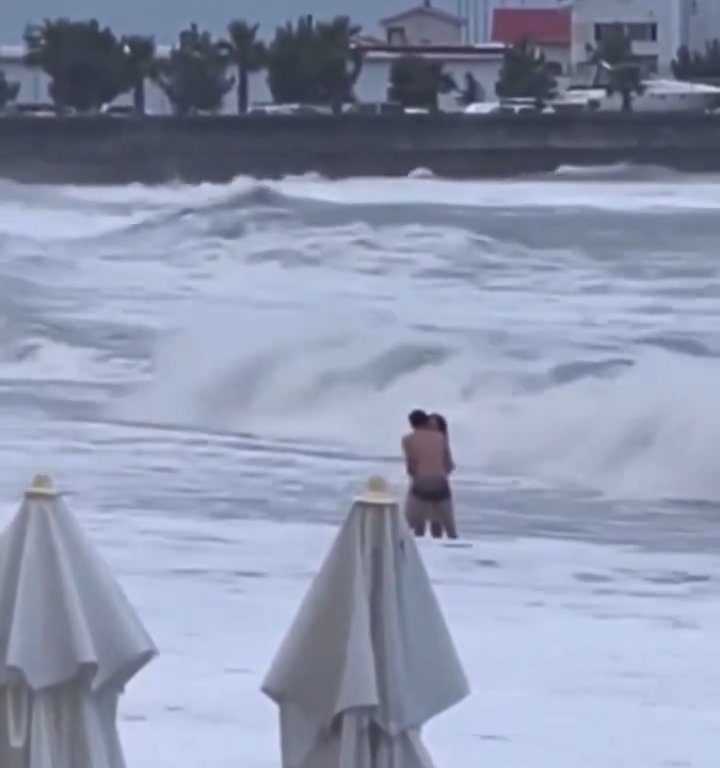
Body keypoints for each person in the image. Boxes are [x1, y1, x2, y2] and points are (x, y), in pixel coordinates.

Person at [401, 409, 458, 539]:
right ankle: (453, 544)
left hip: (421, 482)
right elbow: (448, 466)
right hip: (440, 482)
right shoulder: (441, 438)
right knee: (449, 525)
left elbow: (410, 468)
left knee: (410, 522)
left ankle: (407, 542)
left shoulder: (407, 439)